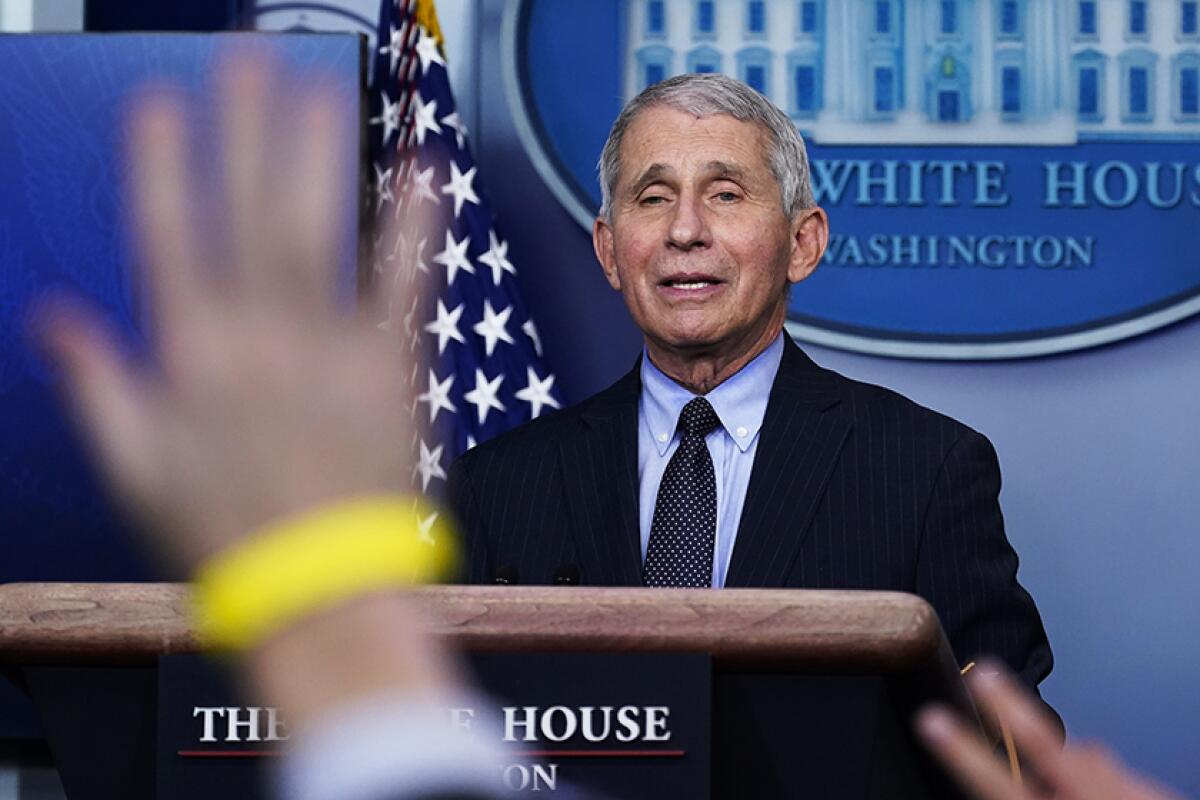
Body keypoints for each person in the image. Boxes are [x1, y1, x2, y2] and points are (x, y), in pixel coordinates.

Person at [448, 73, 1055, 696]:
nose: (685, 230)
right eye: (653, 198)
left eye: (726, 195)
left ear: (802, 243)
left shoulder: (924, 471)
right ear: (608, 251)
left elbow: (1007, 751)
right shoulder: (498, 485)